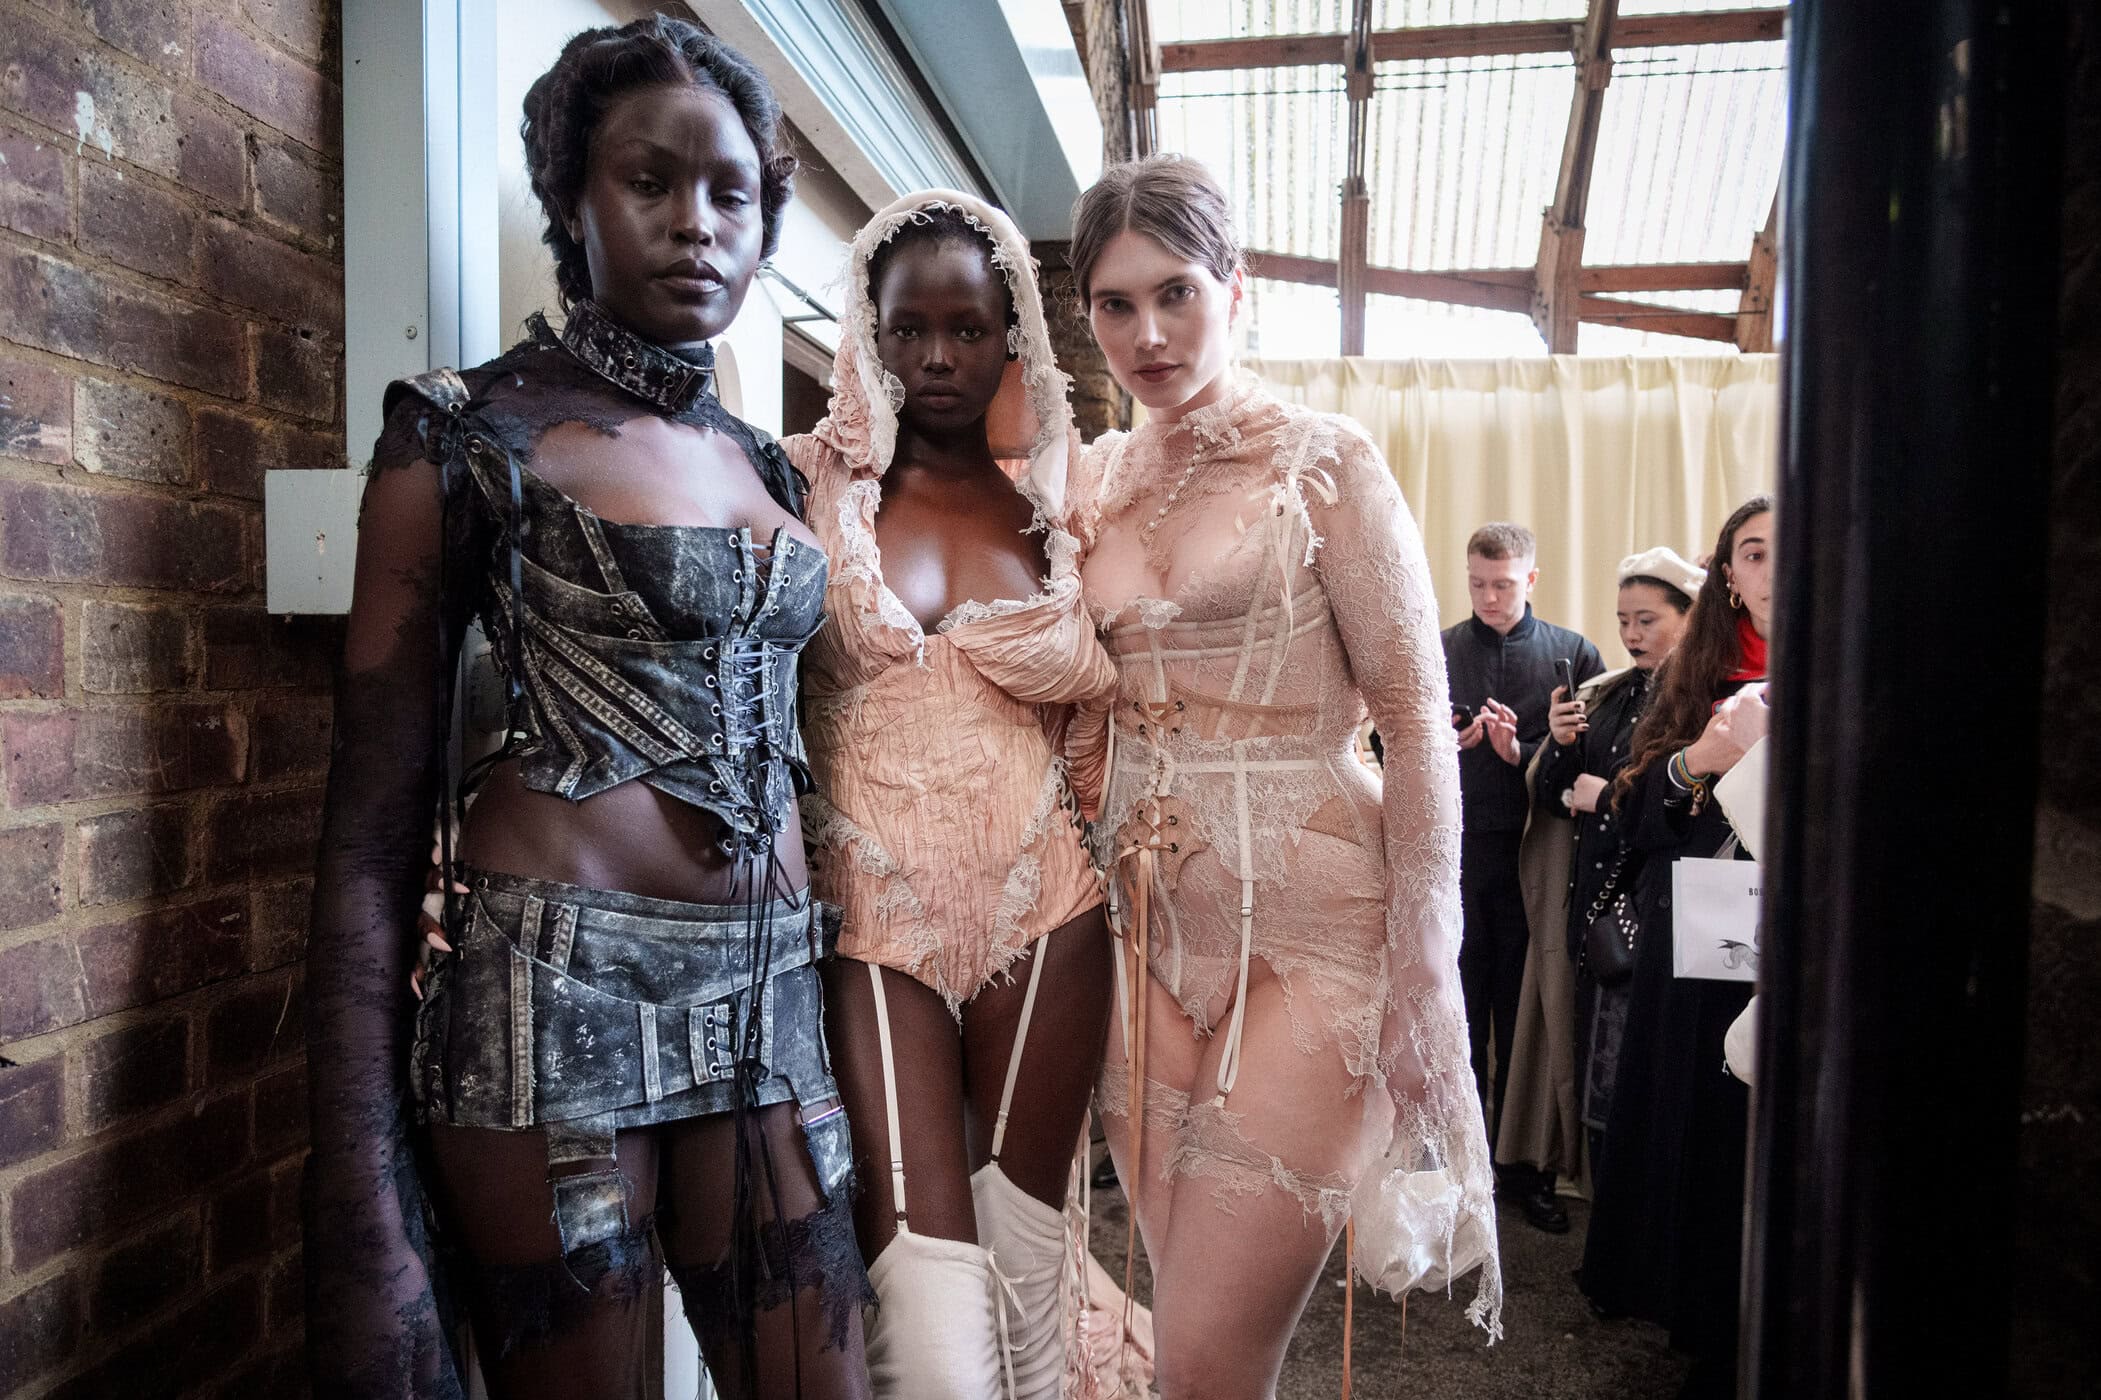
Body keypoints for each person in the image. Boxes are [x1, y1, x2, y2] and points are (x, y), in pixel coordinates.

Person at [305, 20, 870, 1399]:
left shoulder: (767, 468)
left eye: (731, 194)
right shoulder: (463, 428)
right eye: (649, 180)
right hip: (551, 1000)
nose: (697, 224)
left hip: (770, 998)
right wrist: (356, 1186)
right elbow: (370, 835)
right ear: (572, 196)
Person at [1064, 154, 1501, 1400]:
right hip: (1135, 925)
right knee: (1189, 1332)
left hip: (1313, 927)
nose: (1148, 334)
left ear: (1236, 289)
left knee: (1207, 1355)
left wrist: (1427, 952)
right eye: (1115, 304)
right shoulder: (1089, 480)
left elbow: (1414, 717)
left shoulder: (1326, 461)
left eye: (1176, 293)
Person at [785, 190, 1121, 1399]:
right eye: (909, 328)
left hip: (1050, 904)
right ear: (868, 334)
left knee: (1029, 1283)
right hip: (872, 917)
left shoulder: (1063, 507)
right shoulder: (803, 484)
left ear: (1010, 335)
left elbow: (1121, 713)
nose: (936, 356)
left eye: (967, 329)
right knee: (925, 1319)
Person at [1578, 496, 1774, 1400]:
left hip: (1806, 937)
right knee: (1708, 1125)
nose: (1772, 571)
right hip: (1703, 947)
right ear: (1727, 577)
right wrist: (1701, 760)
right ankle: (1707, 1322)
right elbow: (1629, 811)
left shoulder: (1854, 663)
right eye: (1753, 553)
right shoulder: (1693, 678)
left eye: (1788, 551)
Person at [1505, 548, 1703, 1201]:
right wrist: (1562, 747)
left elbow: (1689, 811)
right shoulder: (1614, 694)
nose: (1630, 634)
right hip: (1594, 914)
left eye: (1647, 620)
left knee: (1637, 1080)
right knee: (1594, 1075)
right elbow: (1554, 797)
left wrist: (1607, 800)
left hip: (1656, 911)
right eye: (1622, 620)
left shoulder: (1698, 702)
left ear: (1689, 618)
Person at [1440, 523, 1603, 1231]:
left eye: (1502, 584)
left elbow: (1594, 756)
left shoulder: (1574, 654)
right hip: (1455, 859)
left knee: (1526, 1016)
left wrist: (1521, 752)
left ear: (1530, 580)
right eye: (1477, 583)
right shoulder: (1440, 648)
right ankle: (1462, 1168)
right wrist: (1443, 741)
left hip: (1538, 860)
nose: (1488, 597)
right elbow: (1388, 739)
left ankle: (1523, 1169)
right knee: (1458, 1015)